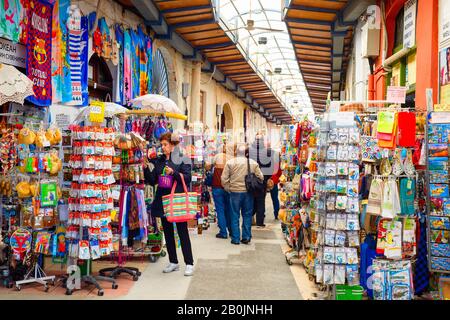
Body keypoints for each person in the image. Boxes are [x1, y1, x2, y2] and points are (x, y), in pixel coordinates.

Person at [144, 132, 194, 276]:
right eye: (162, 145)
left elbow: (188, 178)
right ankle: (173, 262)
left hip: (177, 200)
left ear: (173, 145)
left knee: (182, 231)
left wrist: (173, 173)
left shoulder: (182, 159)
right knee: (167, 232)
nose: (163, 147)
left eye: (165, 145)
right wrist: (146, 167)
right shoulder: (159, 161)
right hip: (162, 200)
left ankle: (189, 263)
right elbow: (153, 180)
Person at [221, 143, 264, 245]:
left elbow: (224, 179)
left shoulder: (230, 163)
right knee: (247, 215)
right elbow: (261, 177)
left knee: (234, 215)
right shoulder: (253, 163)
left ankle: (235, 238)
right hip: (248, 193)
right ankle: (246, 236)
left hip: (234, 193)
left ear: (236, 152)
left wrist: (228, 188)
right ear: (246, 152)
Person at [205, 143, 233, 239]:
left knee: (220, 209)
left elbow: (208, 166)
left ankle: (223, 232)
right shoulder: (232, 159)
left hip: (217, 186)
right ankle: (231, 230)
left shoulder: (217, 156)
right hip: (228, 187)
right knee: (229, 209)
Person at [248, 134, 276, 227]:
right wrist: (267, 178)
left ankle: (250, 219)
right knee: (261, 201)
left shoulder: (249, 151)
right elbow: (271, 167)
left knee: (251, 199)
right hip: (262, 180)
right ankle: (260, 221)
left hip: (251, 179)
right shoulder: (267, 152)